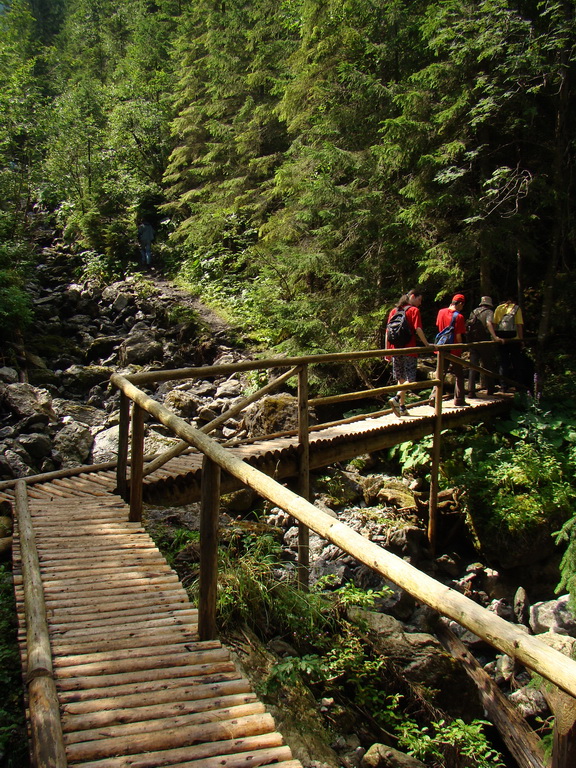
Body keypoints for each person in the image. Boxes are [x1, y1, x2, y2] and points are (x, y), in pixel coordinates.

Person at [385, 288, 431, 417]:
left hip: (395, 349)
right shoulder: (414, 311)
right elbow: (418, 329)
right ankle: (397, 398)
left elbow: (387, 332)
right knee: (410, 379)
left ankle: (402, 408)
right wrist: (427, 344)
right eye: (419, 299)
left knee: (401, 379)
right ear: (412, 297)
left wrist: (387, 351)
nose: (420, 303)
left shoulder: (394, 311)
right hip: (409, 349)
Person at [432, 293, 467, 407]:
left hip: (442, 347)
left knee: (440, 374)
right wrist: (461, 347)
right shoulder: (459, 317)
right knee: (459, 375)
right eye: (462, 305)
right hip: (454, 349)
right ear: (460, 303)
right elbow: (458, 336)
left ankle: (433, 398)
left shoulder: (441, 312)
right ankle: (459, 399)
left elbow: (440, 328)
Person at [466, 296, 503, 398]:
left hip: (473, 342)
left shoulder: (474, 312)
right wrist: (494, 337)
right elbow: (488, 323)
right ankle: (490, 389)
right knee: (487, 365)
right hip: (484, 341)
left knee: (472, 366)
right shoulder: (489, 312)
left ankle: (470, 391)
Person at [493, 297, 524, 390]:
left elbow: (495, 324)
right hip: (514, 339)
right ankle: (519, 385)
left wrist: (495, 337)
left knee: (503, 362)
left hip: (502, 339)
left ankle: (504, 386)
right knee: (516, 362)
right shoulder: (516, 308)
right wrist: (521, 340)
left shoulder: (499, 308)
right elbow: (519, 325)